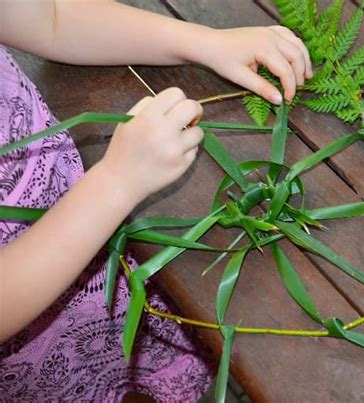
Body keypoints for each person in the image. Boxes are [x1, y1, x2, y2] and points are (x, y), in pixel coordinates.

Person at [0, 0, 312, 401]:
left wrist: (202, 42)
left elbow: (48, 18)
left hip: (110, 242)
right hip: (43, 341)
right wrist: (116, 182)